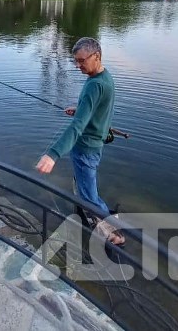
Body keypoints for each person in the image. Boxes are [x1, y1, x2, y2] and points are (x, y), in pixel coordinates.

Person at [35, 37, 125, 246]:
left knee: (88, 196)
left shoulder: (94, 85)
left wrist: (53, 154)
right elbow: (100, 109)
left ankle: (114, 235)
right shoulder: (104, 78)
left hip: (86, 148)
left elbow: (77, 127)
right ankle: (98, 219)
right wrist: (80, 110)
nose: (78, 66)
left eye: (81, 61)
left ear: (97, 56)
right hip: (94, 145)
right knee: (86, 188)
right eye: (76, 61)